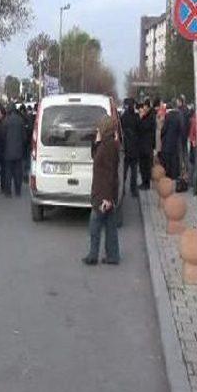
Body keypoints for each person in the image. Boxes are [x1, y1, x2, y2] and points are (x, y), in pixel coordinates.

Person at [82, 116, 120, 266]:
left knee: (94, 225)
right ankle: (113, 255)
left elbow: (109, 173)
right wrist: (97, 141)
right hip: (106, 191)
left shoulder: (107, 147)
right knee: (110, 225)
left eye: (99, 127)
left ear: (104, 128)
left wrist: (107, 198)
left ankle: (93, 255)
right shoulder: (108, 144)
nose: (97, 129)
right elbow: (95, 157)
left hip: (103, 193)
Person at [1, 103, 27, 197]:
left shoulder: (5, 121)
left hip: (8, 150)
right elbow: (24, 137)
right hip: (18, 150)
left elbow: (2, 136)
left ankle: (8, 191)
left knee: (8, 172)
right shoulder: (20, 120)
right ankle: (18, 190)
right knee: (18, 172)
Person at [120, 98, 140, 196]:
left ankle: (122, 189)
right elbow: (140, 129)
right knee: (134, 172)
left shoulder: (123, 117)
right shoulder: (136, 117)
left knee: (124, 171)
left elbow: (121, 130)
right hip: (135, 147)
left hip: (126, 148)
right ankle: (133, 190)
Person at [161, 99, 183, 180]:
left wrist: (162, 136)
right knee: (175, 159)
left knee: (168, 160)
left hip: (168, 141)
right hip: (176, 141)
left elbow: (164, 129)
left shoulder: (168, 116)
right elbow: (181, 128)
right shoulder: (179, 115)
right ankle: (175, 175)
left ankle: (168, 175)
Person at [138, 99, 155, 190]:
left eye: (144, 107)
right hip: (143, 144)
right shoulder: (147, 116)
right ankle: (144, 182)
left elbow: (144, 127)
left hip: (147, 145)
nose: (143, 108)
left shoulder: (150, 117)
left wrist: (141, 118)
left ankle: (146, 183)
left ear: (148, 107)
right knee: (142, 165)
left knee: (146, 166)